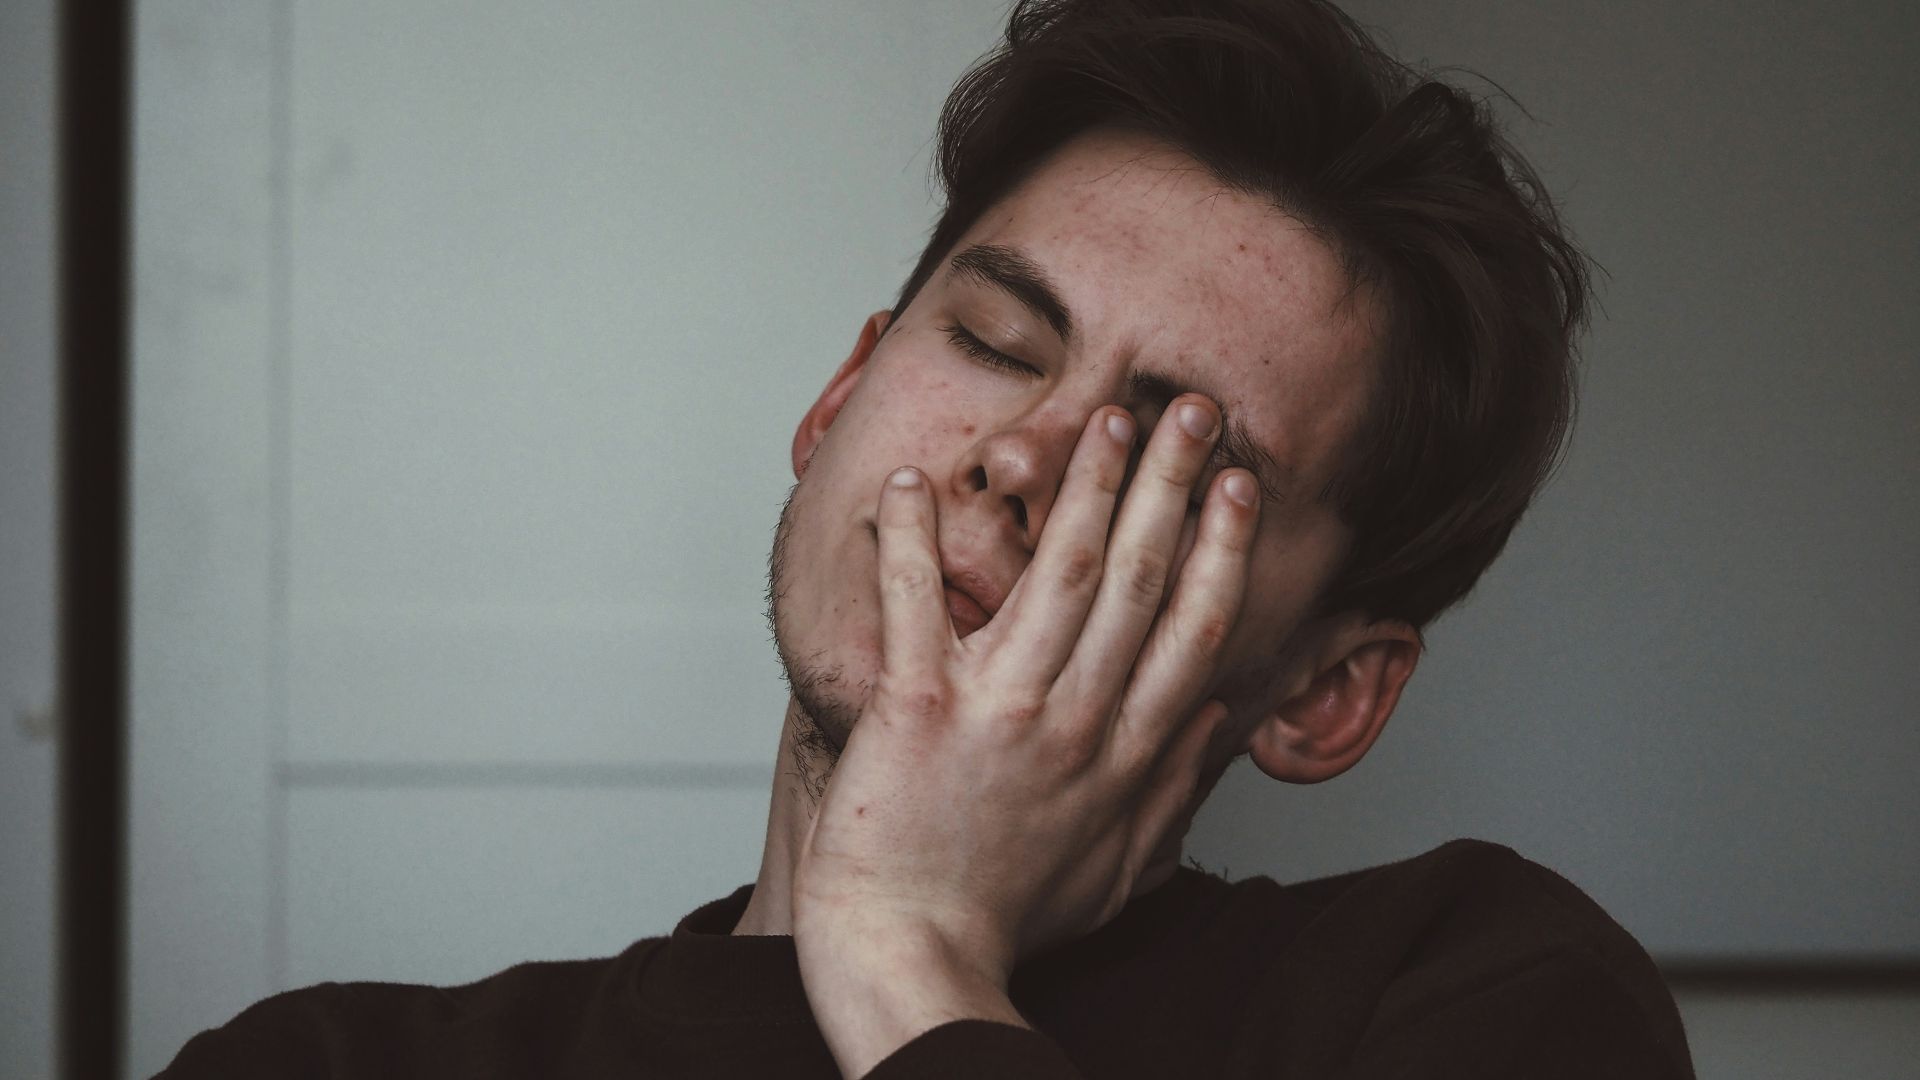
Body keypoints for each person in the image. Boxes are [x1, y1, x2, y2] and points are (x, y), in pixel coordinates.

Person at [159, 1, 1696, 1076]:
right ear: (839, 397)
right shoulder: (322, 1062)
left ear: (1324, 693)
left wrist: (913, 952)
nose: (1019, 457)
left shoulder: (1481, 1001)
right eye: (998, 343)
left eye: (1168, 453)